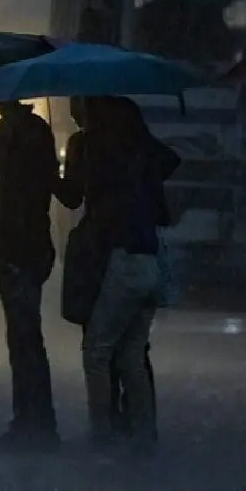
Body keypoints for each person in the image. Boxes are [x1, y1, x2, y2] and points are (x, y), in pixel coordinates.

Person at [73, 97, 178, 456]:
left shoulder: (102, 157)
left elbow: (77, 200)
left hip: (124, 261)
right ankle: (144, 435)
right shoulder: (140, 157)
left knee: (97, 352)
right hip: (151, 258)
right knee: (132, 354)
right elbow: (171, 160)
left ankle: (102, 436)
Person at [0, 101, 61, 456]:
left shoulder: (17, 133)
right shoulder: (31, 130)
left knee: (24, 340)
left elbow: (10, 187)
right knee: (25, 339)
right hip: (29, 246)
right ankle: (36, 422)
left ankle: (32, 425)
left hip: (19, 248)